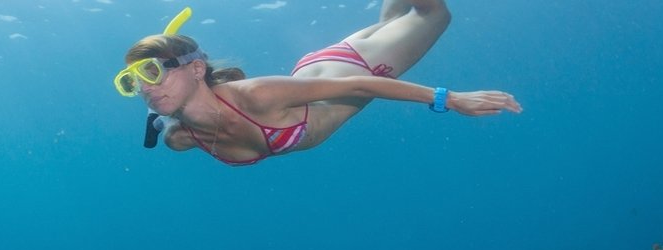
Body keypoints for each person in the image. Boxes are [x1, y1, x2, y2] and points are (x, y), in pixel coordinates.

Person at [116, 1, 522, 166]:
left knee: (433, 14)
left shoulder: (254, 95)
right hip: (319, 71)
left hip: (360, 68)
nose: (145, 87)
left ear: (197, 68)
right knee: (393, 25)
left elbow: (363, 87)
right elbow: (165, 123)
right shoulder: (180, 138)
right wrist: (162, 113)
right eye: (131, 82)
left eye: (152, 72)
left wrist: (450, 99)